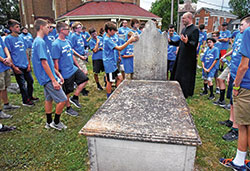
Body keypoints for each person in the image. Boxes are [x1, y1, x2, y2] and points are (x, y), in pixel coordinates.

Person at [219, 15, 250, 170]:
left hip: (246, 84)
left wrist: (236, 86)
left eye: (242, 24)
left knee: (244, 125)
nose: (239, 27)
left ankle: (239, 162)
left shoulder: (249, 32)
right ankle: (240, 159)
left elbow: (244, 65)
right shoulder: (241, 35)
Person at [32, 19, 67, 130]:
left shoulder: (40, 41)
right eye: (47, 27)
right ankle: (56, 122)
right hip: (47, 78)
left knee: (49, 99)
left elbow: (49, 62)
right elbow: (43, 62)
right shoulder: (40, 42)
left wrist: (57, 74)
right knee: (63, 99)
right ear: (41, 27)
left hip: (47, 76)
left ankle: (48, 122)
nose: (49, 29)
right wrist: (53, 79)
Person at [52, 22, 89, 116]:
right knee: (67, 92)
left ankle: (75, 97)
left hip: (73, 68)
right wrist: (58, 76)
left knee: (84, 79)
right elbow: (55, 61)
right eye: (67, 29)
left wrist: (78, 66)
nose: (69, 31)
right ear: (61, 31)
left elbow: (71, 55)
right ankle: (68, 108)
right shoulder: (56, 44)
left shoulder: (67, 41)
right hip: (65, 72)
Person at [5, 19, 38, 106]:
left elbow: (25, 51)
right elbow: (8, 53)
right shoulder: (8, 39)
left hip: (25, 64)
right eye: (17, 27)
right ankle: (25, 100)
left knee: (30, 81)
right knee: (22, 84)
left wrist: (28, 64)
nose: (19, 28)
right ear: (11, 28)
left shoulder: (21, 37)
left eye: (19, 26)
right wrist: (13, 67)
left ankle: (30, 96)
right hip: (17, 65)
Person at [103, 21, 138, 98]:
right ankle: (109, 97)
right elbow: (119, 48)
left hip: (114, 62)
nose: (115, 32)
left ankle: (116, 94)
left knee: (120, 78)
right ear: (108, 31)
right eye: (113, 31)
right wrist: (129, 41)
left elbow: (118, 46)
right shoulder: (106, 39)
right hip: (109, 63)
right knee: (110, 81)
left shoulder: (112, 37)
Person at [169, 12, 199, 98]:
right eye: (182, 18)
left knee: (185, 75)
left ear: (189, 18)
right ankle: (177, 89)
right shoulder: (184, 29)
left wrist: (187, 42)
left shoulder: (194, 29)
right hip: (181, 55)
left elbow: (194, 44)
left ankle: (185, 91)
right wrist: (171, 42)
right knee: (178, 73)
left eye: (184, 18)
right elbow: (180, 42)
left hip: (188, 57)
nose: (182, 20)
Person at [0, 36, 20, 119]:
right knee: (0, 89)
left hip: (5, 66)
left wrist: (8, 57)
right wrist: (3, 60)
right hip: (2, 65)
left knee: (4, 87)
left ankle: (6, 104)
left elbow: (4, 47)